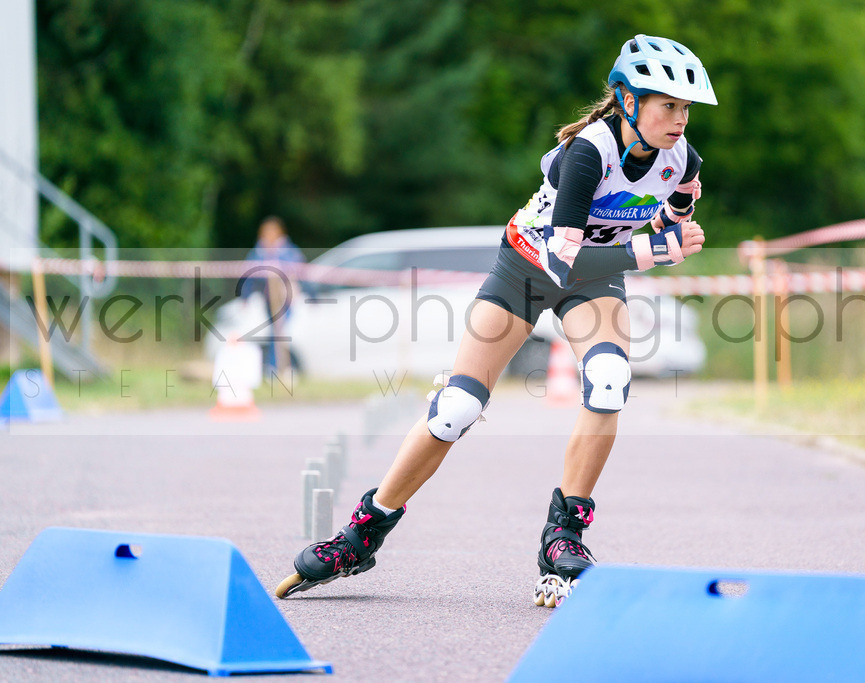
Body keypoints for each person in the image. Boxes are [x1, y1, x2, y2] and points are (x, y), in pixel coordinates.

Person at [275, 35, 714, 605]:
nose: (680, 120)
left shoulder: (684, 156)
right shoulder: (588, 152)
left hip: (593, 281)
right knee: (456, 408)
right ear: (627, 101)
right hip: (527, 270)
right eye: (667, 106)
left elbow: (677, 204)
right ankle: (364, 532)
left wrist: (678, 220)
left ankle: (565, 535)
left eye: (685, 109)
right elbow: (564, 258)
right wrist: (659, 250)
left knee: (609, 383)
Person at [239, 216, 307, 373]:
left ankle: (278, 367)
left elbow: (300, 271)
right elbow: (248, 276)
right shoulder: (258, 252)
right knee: (275, 333)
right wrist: (245, 297)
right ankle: (275, 367)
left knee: (279, 332)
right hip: (269, 299)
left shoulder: (288, 251)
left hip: (287, 299)